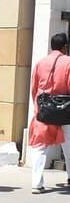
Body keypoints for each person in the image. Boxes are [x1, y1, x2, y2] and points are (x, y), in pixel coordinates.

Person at [28, 32, 70, 192]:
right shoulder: (68, 62)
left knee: (40, 146)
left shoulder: (41, 62)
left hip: (44, 107)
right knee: (68, 145)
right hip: (64, 108)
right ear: (65, 47)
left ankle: (37, 183)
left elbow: (34, 88)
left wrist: (37, 106)